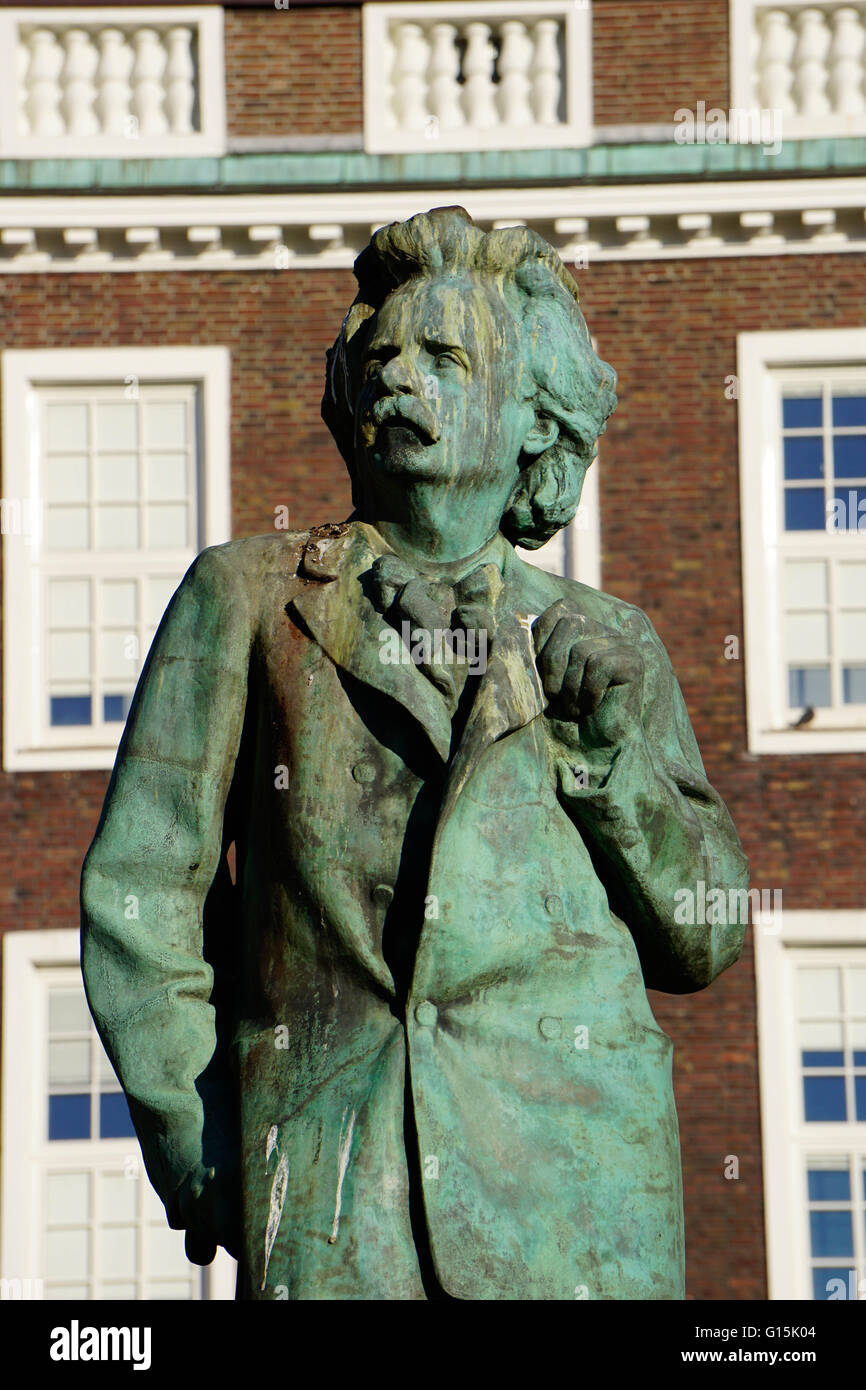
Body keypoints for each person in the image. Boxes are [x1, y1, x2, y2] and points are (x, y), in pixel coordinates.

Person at [81, 206, 748, 1299]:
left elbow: (706, 933)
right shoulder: (245, 597)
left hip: (581, 1211)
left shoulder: (613, 640)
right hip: (334, 1192)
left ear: (534, 418)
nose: (398, 377)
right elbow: (144, 891)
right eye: (378, 356)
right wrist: (199, 1146)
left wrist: (609, 758)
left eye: (443, 355)